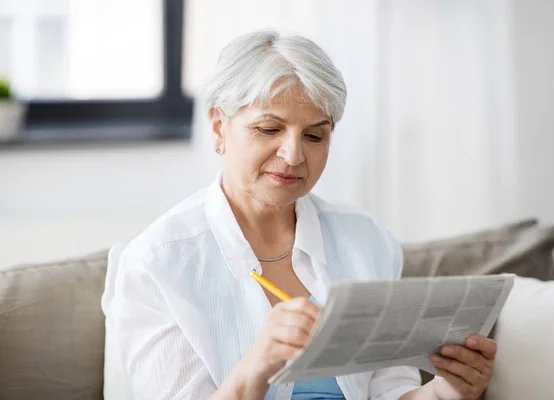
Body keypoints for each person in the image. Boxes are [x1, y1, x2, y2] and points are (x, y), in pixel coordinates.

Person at [104, 30, 497, 400]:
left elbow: (388, 393)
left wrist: (446, 390)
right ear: (219, 127)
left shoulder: (366, 240)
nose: (293, 156)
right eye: (269, 129)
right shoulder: (156, 264)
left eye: (314, 135)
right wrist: (256, 366)